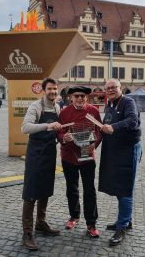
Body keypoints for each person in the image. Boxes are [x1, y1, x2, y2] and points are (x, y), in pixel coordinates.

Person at [99, 79, 142, 246]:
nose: (110, 90)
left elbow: (133, 121)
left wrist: (114, 127)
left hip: (128, 149)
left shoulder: (128, 102)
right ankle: (126, 220)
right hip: (115, 150)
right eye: (108, 88)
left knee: (125, 188)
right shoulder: (109, 105)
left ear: (120, 88)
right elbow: (104, 126)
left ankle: (122, 226)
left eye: (113, 87)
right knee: (118, 185)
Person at [21, 77, 62, 251]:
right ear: (44, 90)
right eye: (50, 89)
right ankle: (27, 232)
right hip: (35, 154)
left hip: (49, 153)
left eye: (55, 89)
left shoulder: (57, 107)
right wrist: (47, 125)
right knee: (31, 192)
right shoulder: (35, 107)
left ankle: (41, 222)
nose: (53, 92)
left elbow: (57, 129)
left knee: (45, 188)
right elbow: (25, 128)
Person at [57, 86, 102, 238]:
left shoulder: (93, 111)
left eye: (83, 96)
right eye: (77, 96)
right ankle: (74, 216)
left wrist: (93, 145)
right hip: (68, 156)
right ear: (71, 97)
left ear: (86, 97)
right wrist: (64, 137)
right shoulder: (64, 112)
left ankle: (91, 223)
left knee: (89, 190)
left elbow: (99, 131)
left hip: (86, 155)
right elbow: (59, 132)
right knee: (72, 188)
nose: (80, 98)